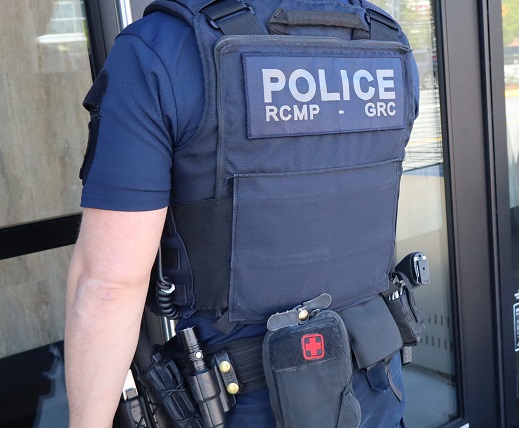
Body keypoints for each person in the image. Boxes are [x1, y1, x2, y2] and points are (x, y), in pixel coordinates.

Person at [64, 1, 419, 427]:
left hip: (245, 405)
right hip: (379, 392)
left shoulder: (163, 49)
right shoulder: (384, 39)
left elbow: (108, 285)